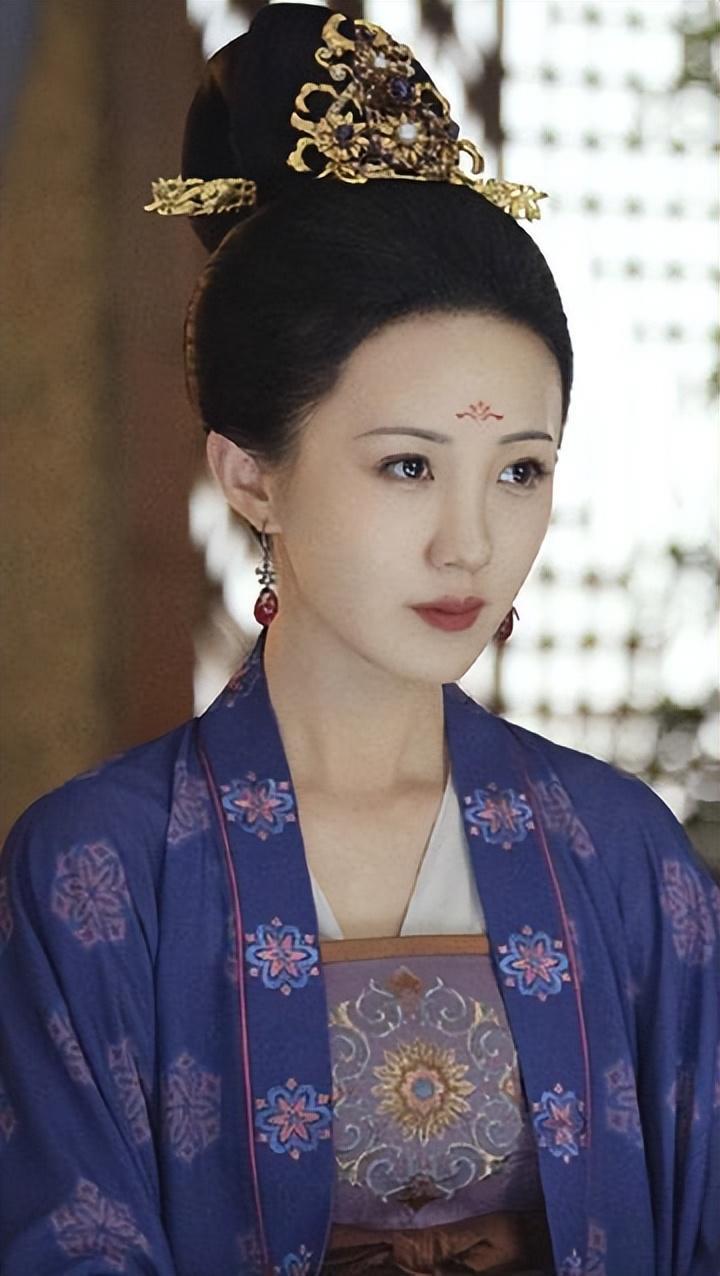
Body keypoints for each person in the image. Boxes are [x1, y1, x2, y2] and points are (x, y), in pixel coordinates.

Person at [0, 5, 717, 1274]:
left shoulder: (622, 857)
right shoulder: (95, 873)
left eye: (520, 470)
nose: (470, 543)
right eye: (406, 466)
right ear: (251, 474)